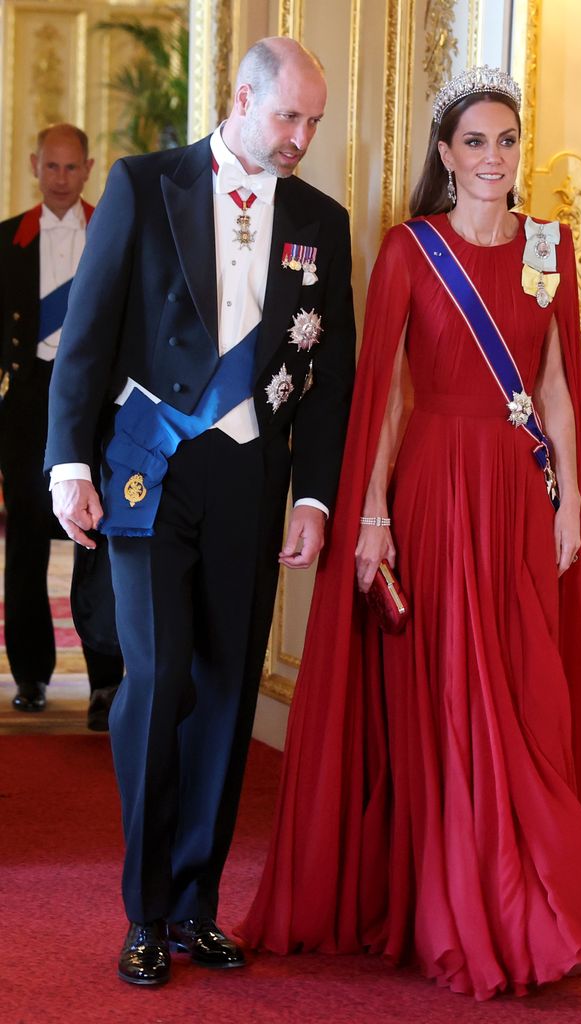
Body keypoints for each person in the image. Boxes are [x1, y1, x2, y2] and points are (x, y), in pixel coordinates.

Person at [238, 66, 581, 998]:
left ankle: (535, 888)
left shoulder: (551, 245)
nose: (492, 158)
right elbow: (380, 397)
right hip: (433, 487)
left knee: (526, 692)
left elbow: (554, 386)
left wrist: (572, 501)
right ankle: (480, 902)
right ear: (446, 156)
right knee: (459, 693)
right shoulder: (410, 249)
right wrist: (371, 512)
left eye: (506, 141)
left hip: (516, 491)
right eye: (474, 142)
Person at [45, 37, 355, 987]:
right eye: (287, 116)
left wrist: (313, 491)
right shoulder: (147, 185)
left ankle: (194, 907)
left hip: (250, 483)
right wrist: (66, 465)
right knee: (159, 675)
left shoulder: (321, 220)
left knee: (224, 686)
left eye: (314, 121)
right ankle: (144, 910)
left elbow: (332, 372)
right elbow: (89, 336)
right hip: (148, 471)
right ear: (241, 97)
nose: (302, 136)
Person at [0, 124, 124, 727]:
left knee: (96, 536)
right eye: (51, 167)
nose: (61, 179)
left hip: (97, 402)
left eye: (73, 168)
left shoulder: (115, 229)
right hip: (26, 403)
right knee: (25, 538)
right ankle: (30, 674)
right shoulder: (7, 241)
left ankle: (105, 682)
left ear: (90, 167)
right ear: (34, 165)